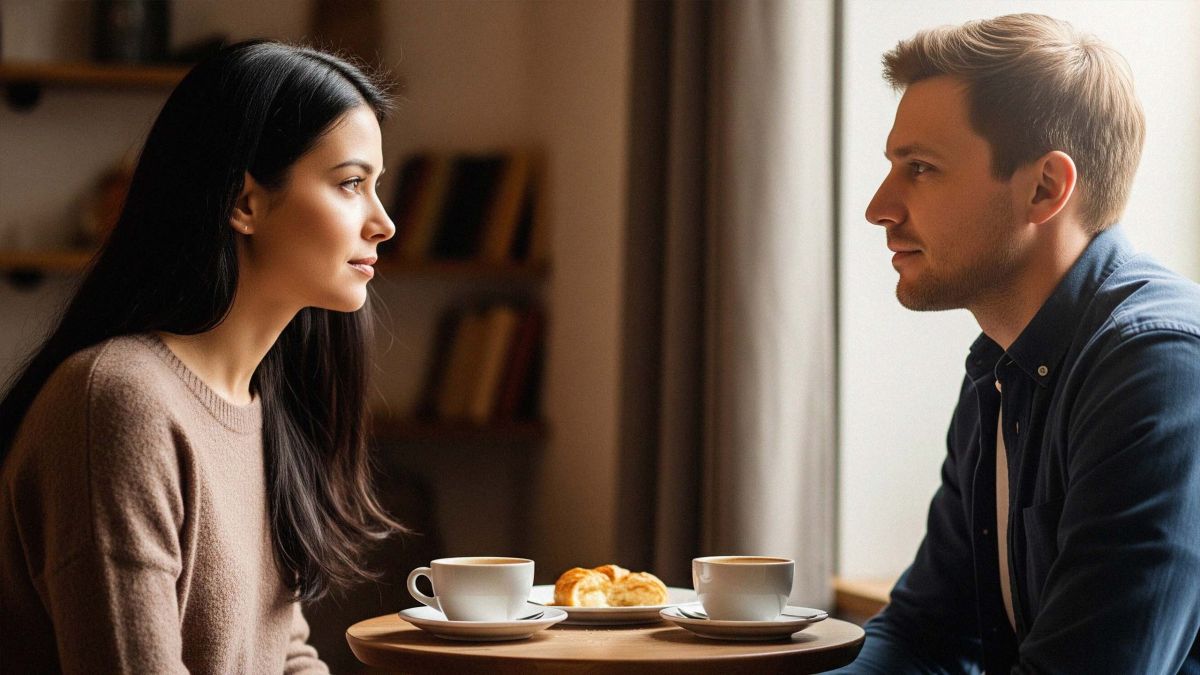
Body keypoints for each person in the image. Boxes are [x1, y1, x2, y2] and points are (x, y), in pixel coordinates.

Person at [0, 41, 403, 672]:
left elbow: (286, 655)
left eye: (376, 187)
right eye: (351, 183)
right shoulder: (117, 401)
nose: (383, 223)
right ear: (245, 203)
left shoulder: (265, 403)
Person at [835, 13, 1200, 674]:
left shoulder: (1161, 366)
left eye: (920, 168)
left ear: (1044, 188)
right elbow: (929, 632)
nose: (879, 207)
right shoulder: (1000, 370)